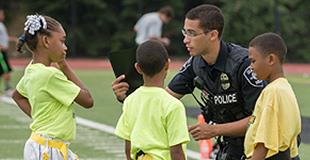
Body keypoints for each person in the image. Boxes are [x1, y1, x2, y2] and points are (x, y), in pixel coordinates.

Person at [112, 4, 266, 160]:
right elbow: (161, 99)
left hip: (261, 146)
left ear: (213, 35)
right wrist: (128, 98)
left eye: (192, 33)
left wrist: (215, 130)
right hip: (230, 145)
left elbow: (261, 120)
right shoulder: (195, 64)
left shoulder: (244, 65)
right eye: (185, 32)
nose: (185, 39)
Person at [12, 14, 93, 160]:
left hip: (44, 145)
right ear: (46, 41)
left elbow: (17, 96)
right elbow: (87, 100)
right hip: (48, 150)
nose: (65, 47)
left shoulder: (32, 69)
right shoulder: (50, 75)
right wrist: (64, 65)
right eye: (62, 41)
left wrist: (38, 117)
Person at [114, 40, 190, 160]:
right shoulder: (174, 105)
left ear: (138, 68)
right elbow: (176, 152)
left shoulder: (129, 100)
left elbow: (128, 146)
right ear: (167, 64)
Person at [243, 32, 301, 160]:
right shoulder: (285, 88)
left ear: (270, 59)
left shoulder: (273, 91)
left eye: (253, 61)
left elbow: (264, 143)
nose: (251, 67)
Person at [0, 8, 16, 95]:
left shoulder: (2, 25)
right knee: (5, 70)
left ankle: (7, 87)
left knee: (6, 70)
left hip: (4, 52)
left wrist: (13, 39)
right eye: (1, 14)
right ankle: (7, 88)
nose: (3, 16)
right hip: (1, 52)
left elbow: (4, 38)